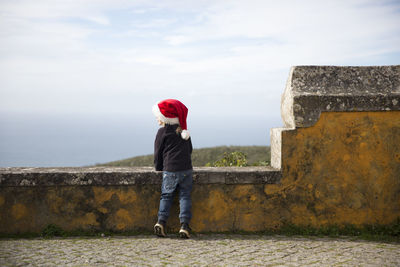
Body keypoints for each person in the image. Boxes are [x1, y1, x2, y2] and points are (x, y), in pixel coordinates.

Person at [152, 99, 193, 238]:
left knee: (166, 195)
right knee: (185, 196)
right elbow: (190, 149)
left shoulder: (162, 132)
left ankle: (161, 222)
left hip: (170, 169)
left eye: (158, 116)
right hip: (186, 168)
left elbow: (158, 153)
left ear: (165, 117)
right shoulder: (183, 131)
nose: (157, 118)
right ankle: (184, 227)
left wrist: (158, 168)